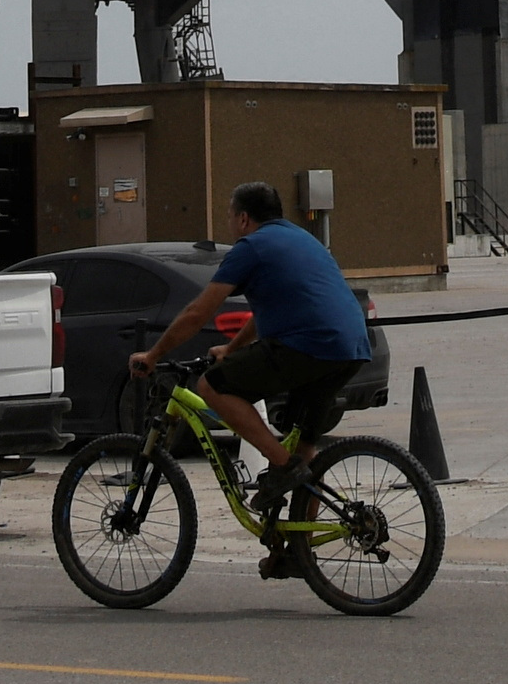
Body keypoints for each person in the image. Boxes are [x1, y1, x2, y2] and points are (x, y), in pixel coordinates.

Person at [129, 179, 374, 510]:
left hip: (308, 344)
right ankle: (295, 554)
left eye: (230, 216)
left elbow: (198, 312)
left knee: (211, 386)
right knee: (305, 450)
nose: (229, 224)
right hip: (351, 346)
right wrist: (231, 350)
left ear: (243, 218)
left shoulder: (251, 247)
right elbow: (265, 314)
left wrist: (154, 353)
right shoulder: (301, 238)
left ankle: (281, 467)